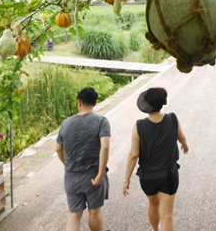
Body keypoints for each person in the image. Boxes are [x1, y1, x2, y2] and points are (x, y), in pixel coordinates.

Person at [123, 87, 189, 231]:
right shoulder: (172, 119)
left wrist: (126, 179)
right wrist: (184, 145)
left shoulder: (139, 126)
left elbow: (134, 154)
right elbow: (181, 137)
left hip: (147, 177)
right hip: (168, 175)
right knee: (167, 216)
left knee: (153, 205)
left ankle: (155, 229)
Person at [56, 87, 111, 231]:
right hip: (93, 175)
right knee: (94, 211)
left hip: (71, 176)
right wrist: (100, 175)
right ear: (95, 103)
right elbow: (105, 147)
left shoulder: (66, 123)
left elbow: (58, 148)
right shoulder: (101, 121)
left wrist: (66, 164)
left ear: (79, 102)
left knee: (75, 214)